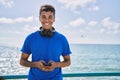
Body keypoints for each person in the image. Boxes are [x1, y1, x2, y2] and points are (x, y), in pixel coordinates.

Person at [20, 4, 72, 80]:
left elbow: (68, 61)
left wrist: (56, 65)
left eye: (50, 17)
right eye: (43, 17)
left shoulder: (62, 39)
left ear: (54, 19)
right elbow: (22, 61)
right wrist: (36, 64)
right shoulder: (30, 38)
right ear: (39, 18)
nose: (47, 20)